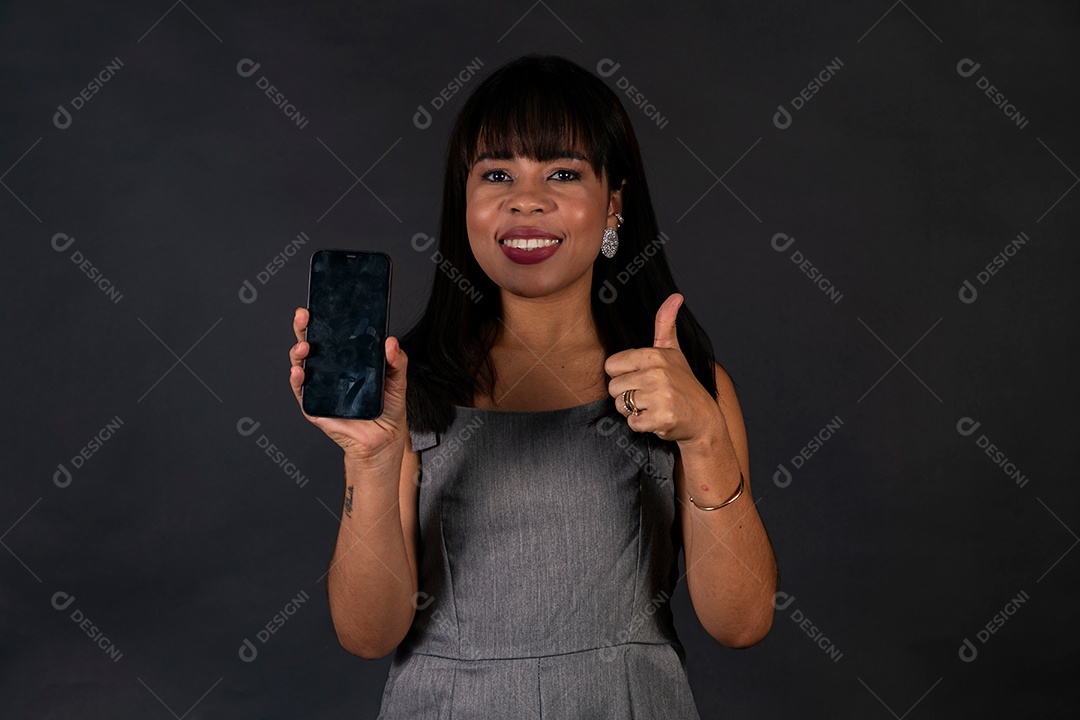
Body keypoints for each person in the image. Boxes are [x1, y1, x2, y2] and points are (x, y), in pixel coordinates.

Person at [288, 54, 777, 719]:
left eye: (563, 173)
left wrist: (705, 435)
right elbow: (367, 635)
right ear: (466, 204)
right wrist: (372, 461)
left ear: (614, 206)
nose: (527, 199)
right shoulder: (410, 385)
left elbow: (741, 622)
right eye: (497, 174)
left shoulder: (682, 384)